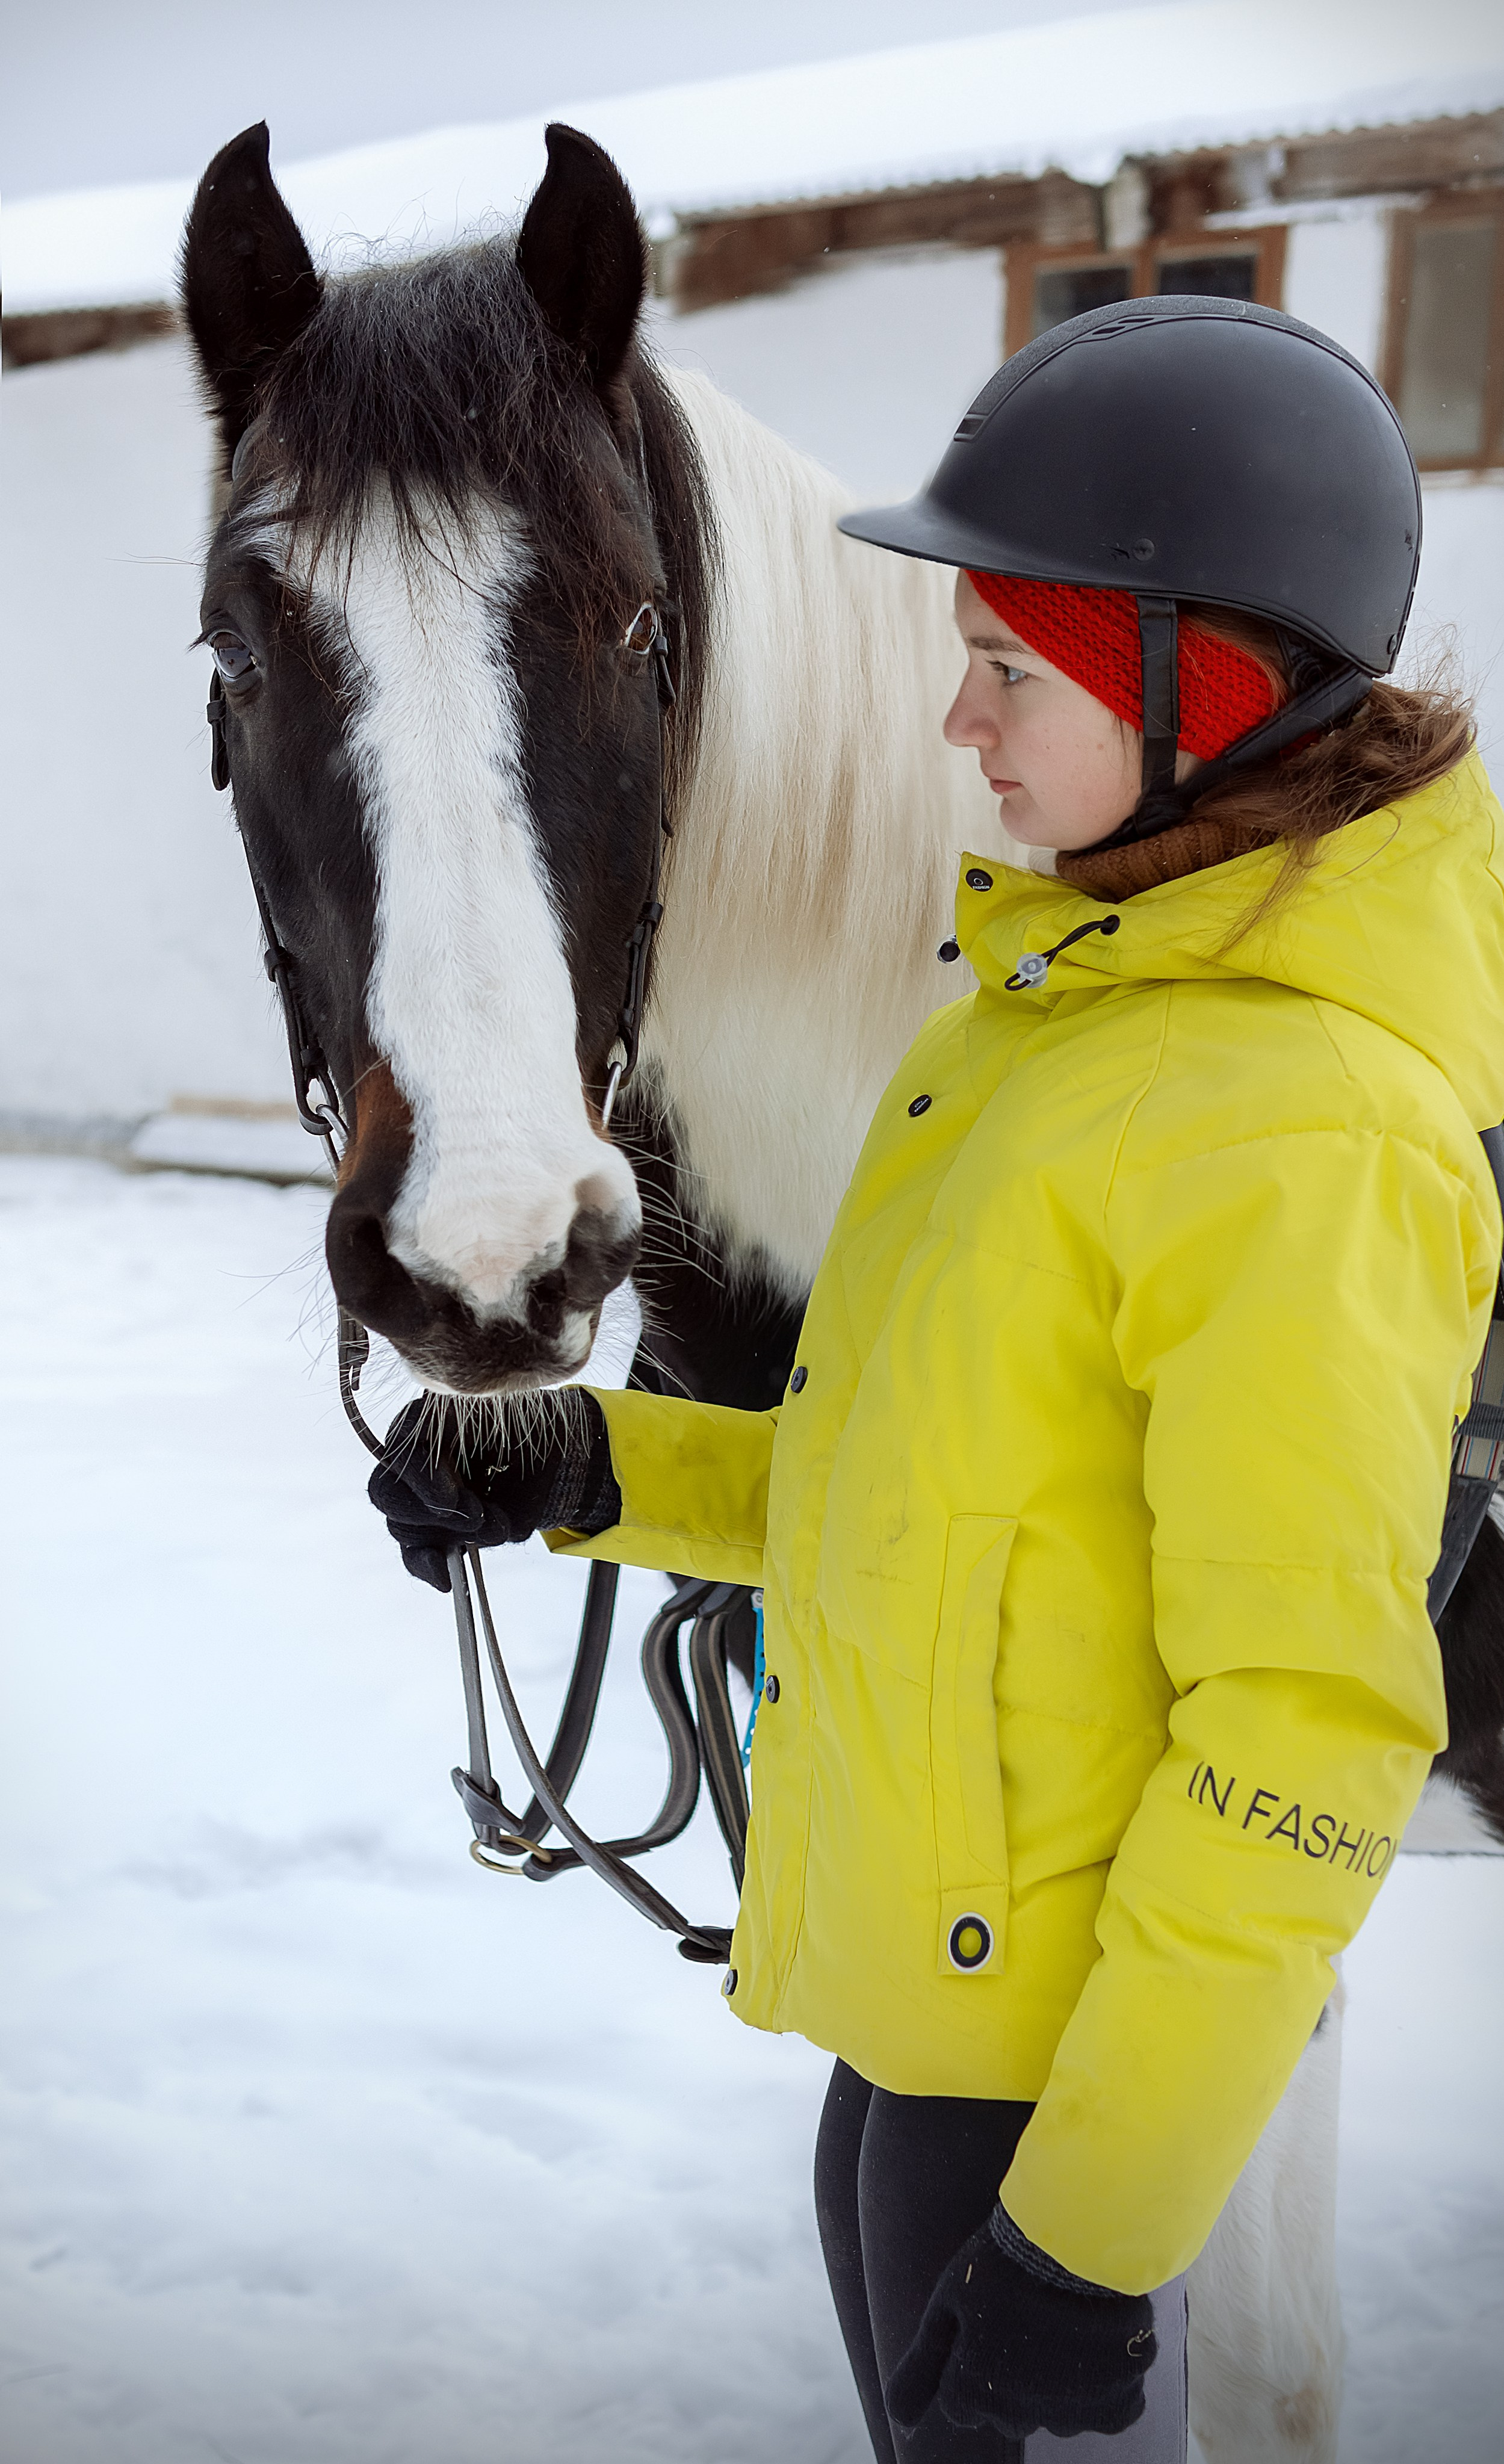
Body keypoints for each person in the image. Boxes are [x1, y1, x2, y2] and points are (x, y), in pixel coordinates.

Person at [370, 298, 1504, 2460]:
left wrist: (1088, 2242)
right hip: (919, 2040)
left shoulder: (1301, 1134)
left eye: (1007, 668)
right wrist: (583, 1468)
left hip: (1059, 2117)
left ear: (1208, 688)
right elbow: (912, 1493)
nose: (955, 728)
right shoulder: (1033, 1029)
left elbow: (1302, 1744)